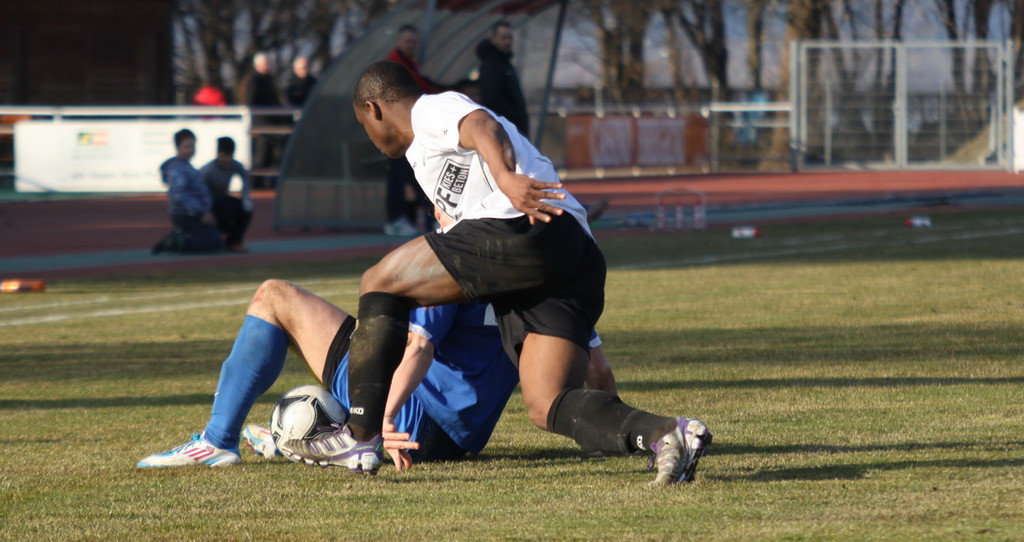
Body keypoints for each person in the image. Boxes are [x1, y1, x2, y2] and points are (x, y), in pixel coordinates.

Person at [291, 61, 711, 485]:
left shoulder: (430, 109)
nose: (370, 137)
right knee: (545, 404)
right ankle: (665, 433)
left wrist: (507, 177)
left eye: (363, 125)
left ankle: (361, 437)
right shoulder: (424, 158)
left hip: (523, 228)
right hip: (569, 255)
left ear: (374, 109)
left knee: (377, 282)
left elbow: (480, 125)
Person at [136, 273, 614, 469]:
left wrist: (379, 421)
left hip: (405, 418)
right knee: (359, 335)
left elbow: (419, 349)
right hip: (455, 441)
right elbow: (599, 370)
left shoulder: (461, 262)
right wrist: (602, 438)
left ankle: (217, 441)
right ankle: (312, 438)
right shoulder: (554, 277)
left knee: (274, 296)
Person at [383, 25, 437, 237]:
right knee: (399, 175)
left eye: (413, 42)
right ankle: (394, 219)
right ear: (398, 42)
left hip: (411, 129)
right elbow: (420, 88)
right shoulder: (395, 65)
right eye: (407, 41)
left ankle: (430, 216)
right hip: (398, 130)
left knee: (416, 174)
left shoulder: (410, 64)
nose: (411, 45)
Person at [152, 129, 223, 254]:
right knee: (212, 243)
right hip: (185, 215)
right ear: (178, 147)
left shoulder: (187, 166)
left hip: (194, 213)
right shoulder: (177, 169)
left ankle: (182, 238)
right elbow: (180, 194)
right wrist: (200, 212)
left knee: (216, 240)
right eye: (187, 146)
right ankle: (177, 241)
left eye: (193, 146)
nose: (191, 150)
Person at [475, 21, 529, 138]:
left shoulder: (506, 65)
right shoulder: (490, 66)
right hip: (503, 130)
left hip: (514, 129)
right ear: (493, 39)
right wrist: (514, 119)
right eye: (503, 38)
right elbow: (492, 98)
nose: (508, 42)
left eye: (510, 38)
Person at [198, 137, 253, 252]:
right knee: (226, 209)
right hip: (209, 202)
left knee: (245, 210)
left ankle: (234, 241)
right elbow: (198, 191)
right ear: (218, 154)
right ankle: (218, 236)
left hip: (223, 199)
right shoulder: (207, 170)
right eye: (224, 156)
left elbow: (245, 175)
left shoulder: (234, 165)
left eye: (230, 156)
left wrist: (245, 196)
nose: (227, 161)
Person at [242, 52, 284, 186]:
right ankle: (258, 184)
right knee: (262, 154)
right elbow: (250, 102)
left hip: (269, 122)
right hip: (261, 124)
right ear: (257, 65)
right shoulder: (254, 80)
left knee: (269, 153)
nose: (268, 66)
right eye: (265, 64)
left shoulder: (269, 80)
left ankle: (268, 182)